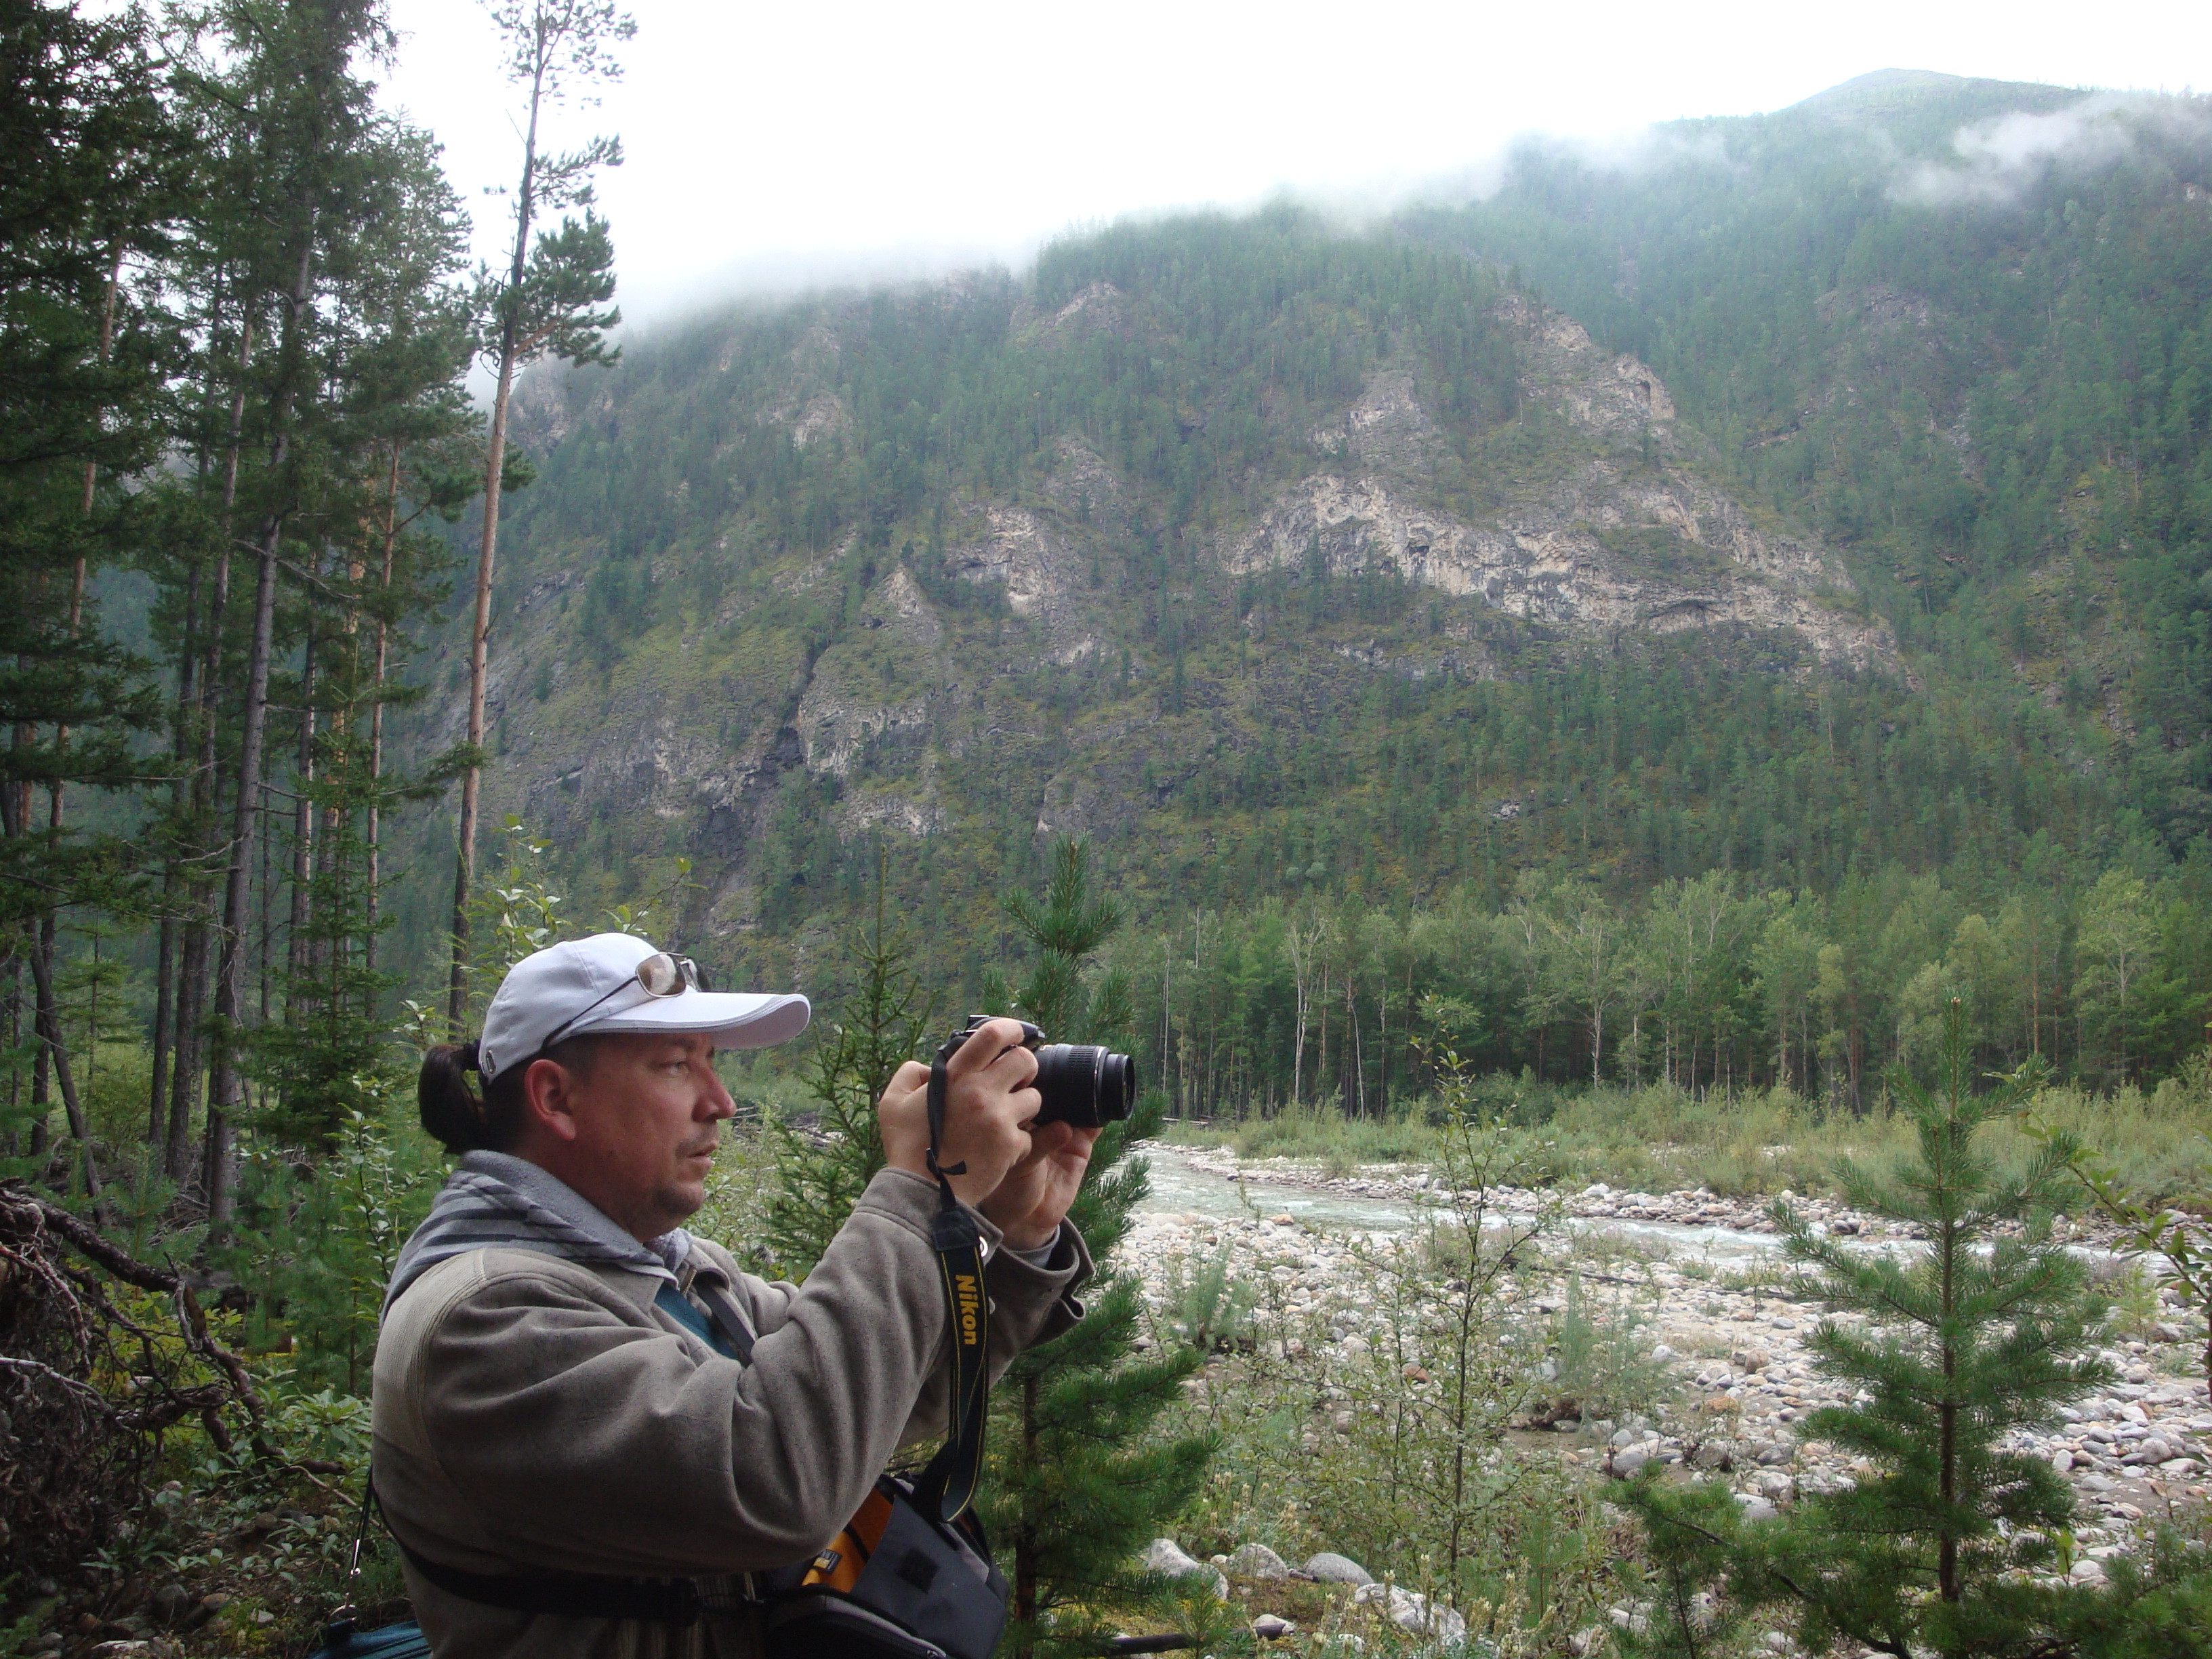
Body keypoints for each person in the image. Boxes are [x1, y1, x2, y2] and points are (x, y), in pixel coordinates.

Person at [371, 933, 1096, 1658]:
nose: (720, 1102)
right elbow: (779, 1478)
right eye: (677, 1065)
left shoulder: (672, 1272)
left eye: (712, 1064)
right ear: (556, 1098)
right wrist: (926, 1193)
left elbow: (878, 1391)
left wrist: (1014, 1232)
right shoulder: (479, 1324)